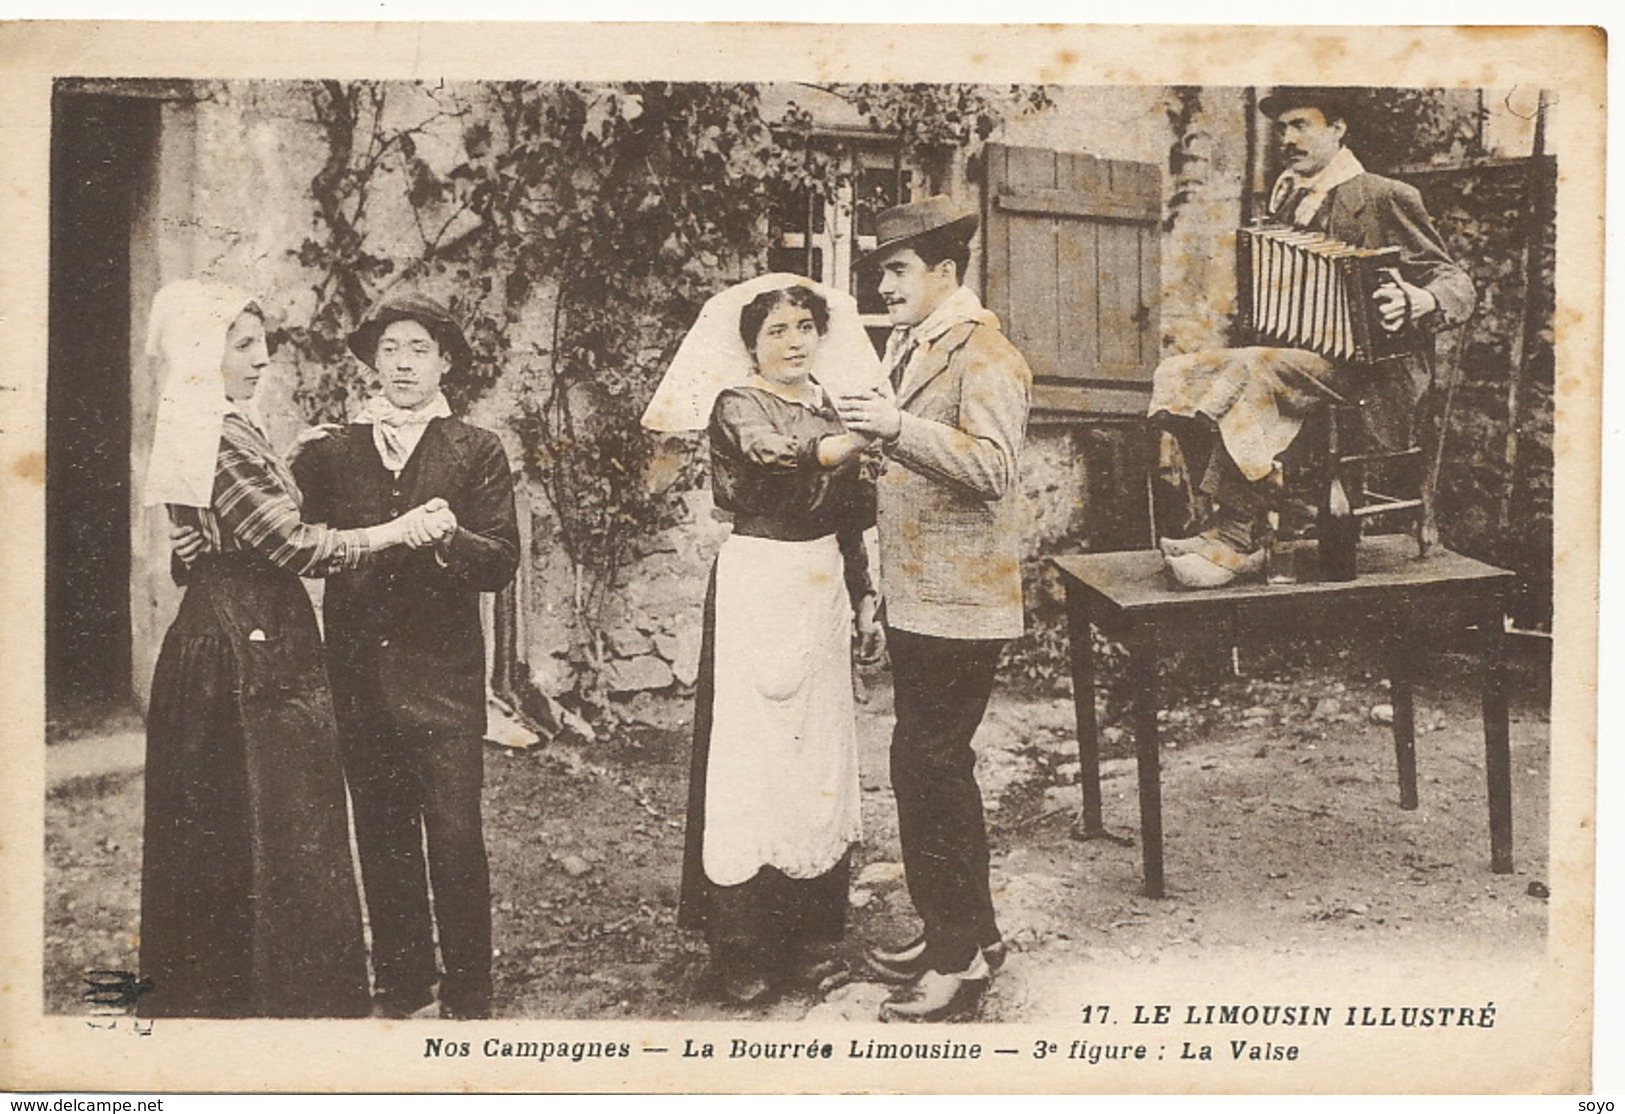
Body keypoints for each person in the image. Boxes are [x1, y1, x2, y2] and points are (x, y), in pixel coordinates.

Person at [139, 279, 456, 1018]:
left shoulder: (217, 424)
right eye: (242, 345)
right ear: (197, 353)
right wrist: (394, 531)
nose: (261, 361)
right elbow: (289, 542)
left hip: (240, 630)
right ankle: (280, 996)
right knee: (269, 817)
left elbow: (206, 540)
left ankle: (237, 989)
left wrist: (295, 452)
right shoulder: (211, 431)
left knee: (260, 818)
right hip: (241, 649)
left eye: (261, 345)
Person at [643, 274, 885, 1005]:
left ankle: (809, 942)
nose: (792, 342)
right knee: (748, 761)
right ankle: (740, 949)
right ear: (750, 344)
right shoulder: (738, 405)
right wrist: (853, 442)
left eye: (804, 328)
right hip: (760, 578)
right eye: (776, 331)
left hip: (821, 584)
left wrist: (864, 596)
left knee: (817, 758)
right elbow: (776, 455)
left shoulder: (834, 407)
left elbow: (854, 513)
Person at [290, 294, 521, 1020]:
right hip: (358, 673)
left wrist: (448, 538)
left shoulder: (475, 449)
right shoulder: (335, 449)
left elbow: (500, 562)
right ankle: (401, 980)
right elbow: (301, 543)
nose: (402, 363)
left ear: (444, 361)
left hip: (444, 678)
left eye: (418, 348)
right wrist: (291, 460)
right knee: (382, 833)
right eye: (389, 349)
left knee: (454, 835)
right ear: (371, 361)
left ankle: (469, 989)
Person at [1150, 86, 1476, 589]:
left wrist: (1420, 300)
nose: (1288, 138)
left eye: (1301, 125)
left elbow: (1454, 280)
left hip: (1370, 374)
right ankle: (1225, 520)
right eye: (1282, 128)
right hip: (1303, 364)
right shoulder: (1289, 196)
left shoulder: (1385, 196)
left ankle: (1239, 538)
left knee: (1253, 368)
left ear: (1338, 129)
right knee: (1180, 372)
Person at [836, 197, 1033, 1022]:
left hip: (962, 606)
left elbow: (992, 468)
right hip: (924, 600)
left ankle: (957, 964)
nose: (883, 286)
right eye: (881, 271)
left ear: (945, 272)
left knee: (930, 771)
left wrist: (893, 428)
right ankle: (963, 931)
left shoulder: (987, 354)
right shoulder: (917, 344)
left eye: (896, 270)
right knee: (924, 770)